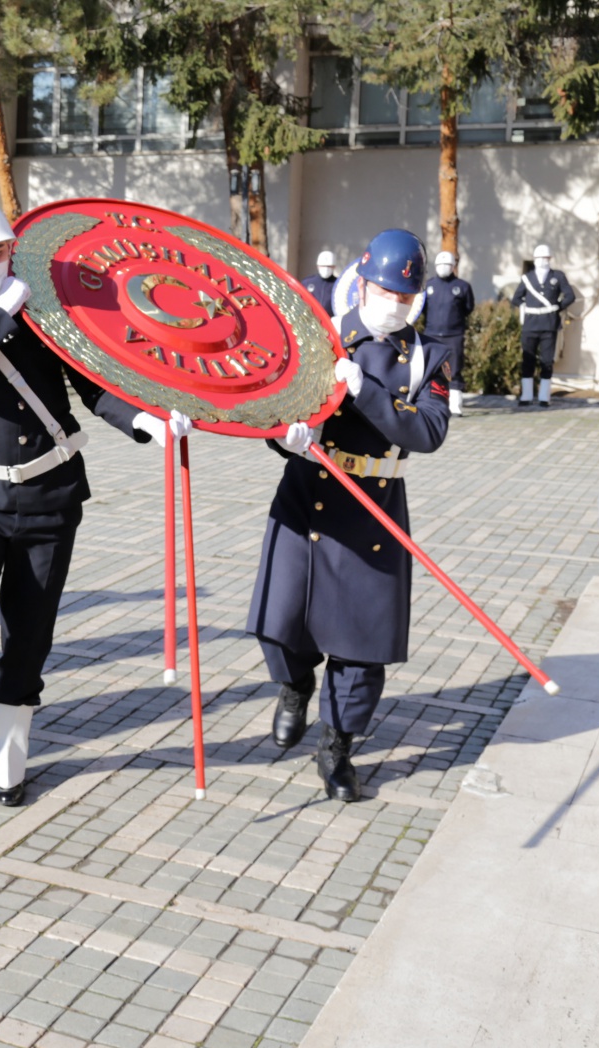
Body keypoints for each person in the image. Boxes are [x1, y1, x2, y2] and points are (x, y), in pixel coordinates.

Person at [0, 197, 176, 806]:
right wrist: (3, 311)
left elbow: (92, 387)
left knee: (30, 633)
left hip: (50, 490)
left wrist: (145, 421)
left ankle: (6, 751)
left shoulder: (46, 311)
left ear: (12, 250)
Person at [249, 228, 450, 803]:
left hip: (374, 506)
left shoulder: (427, 357)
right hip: (307, 492)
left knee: (362, 643)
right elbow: (277, 404)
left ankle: (336, 746)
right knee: (279, 618)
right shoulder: (321, 338)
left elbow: (428, 430)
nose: (394, 304)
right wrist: (281, 436)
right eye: (385, 291)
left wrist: (368, 393)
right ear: (361, 284)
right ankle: (293, 687)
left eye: (406, 298)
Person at [509, 243, 575, 408]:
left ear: (550, 259)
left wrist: (557, 307)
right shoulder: (527, 278)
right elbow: (516, 299)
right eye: (539, 258)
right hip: (530, 325)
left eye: (545, 258)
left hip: (549, 325)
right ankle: (526, 396)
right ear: (535, 259)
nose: (542, 260)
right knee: (528, 360)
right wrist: (526, 307)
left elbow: (570, 295)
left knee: (547, 361)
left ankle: (544, 397)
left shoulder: (558, 276)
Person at [421, 251, 475, 417]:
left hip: (454, 335)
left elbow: (468, 308)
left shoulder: (463, 287)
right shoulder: (428, 286)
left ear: (453, 267)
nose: (443, 267)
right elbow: (422, 310)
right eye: (440, 265)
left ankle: (455, 405)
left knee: (455, 369)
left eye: (447, 265)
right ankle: (429, 403)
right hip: (431, 334)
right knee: (429, 370)